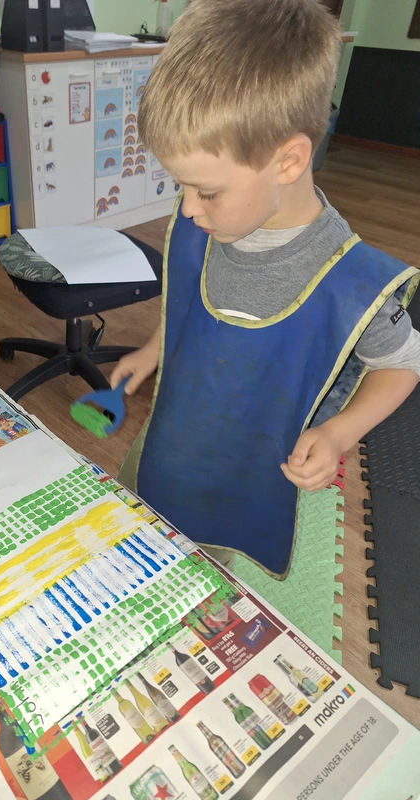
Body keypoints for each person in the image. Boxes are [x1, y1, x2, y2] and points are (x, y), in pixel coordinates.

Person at [111, 0, 420, 579]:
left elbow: (404, 365)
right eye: (181, 186)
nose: (187, 209)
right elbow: (188, 303)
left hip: (256, 480)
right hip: (175, 445)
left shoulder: (353, 283)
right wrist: (155, 349)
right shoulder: (198, 226)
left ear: (288, 161)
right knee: (152, 539)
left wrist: (337, 432)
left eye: (206, 191)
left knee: (217, 579)